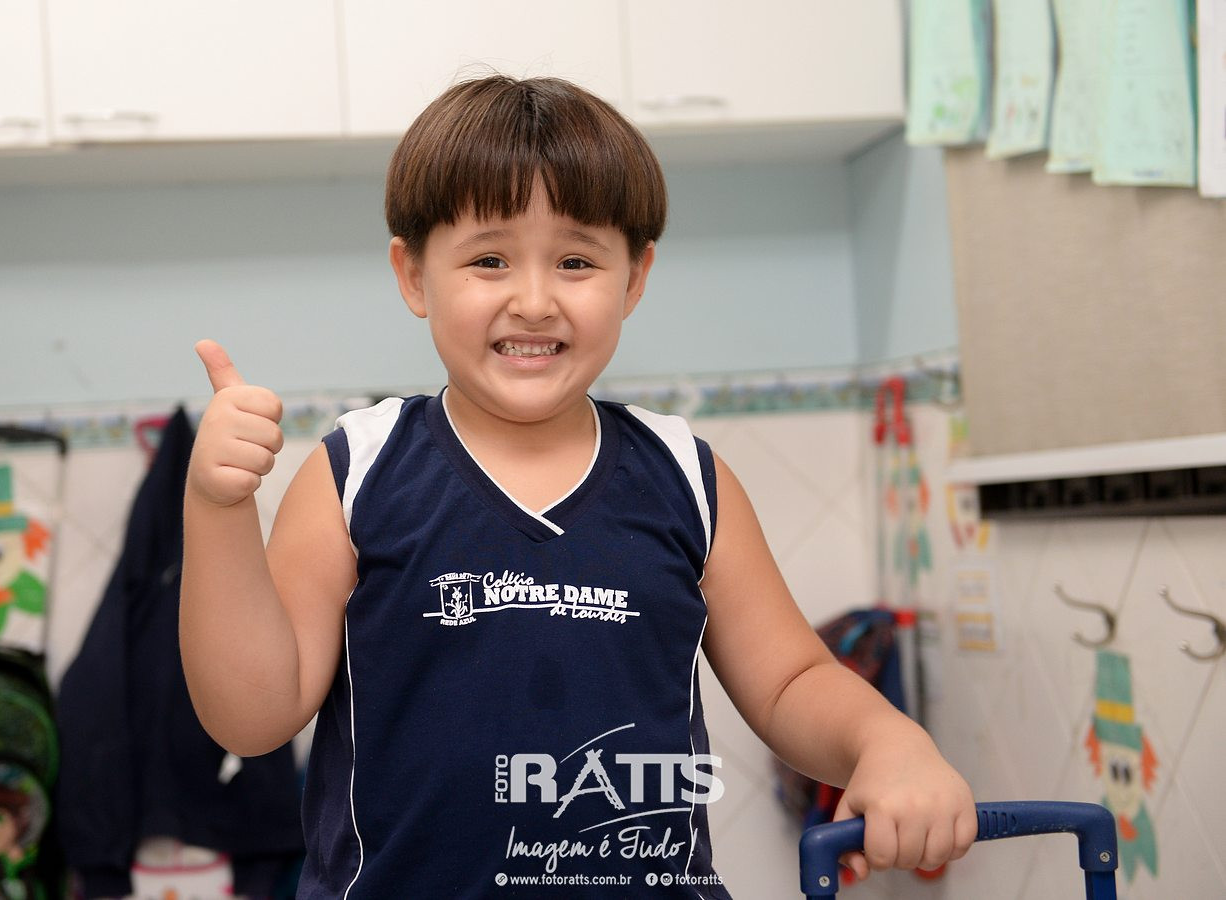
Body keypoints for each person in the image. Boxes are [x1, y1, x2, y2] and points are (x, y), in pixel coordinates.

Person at [180, 75, 975, 898]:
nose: (534, 301)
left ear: (634, 276)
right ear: (413, 274)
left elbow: (789, 684)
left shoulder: (689, 477)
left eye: (575, 261)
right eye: (489, 260)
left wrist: (889, 742)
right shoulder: (355, 472)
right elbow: (252, 716)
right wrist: (217, 507)